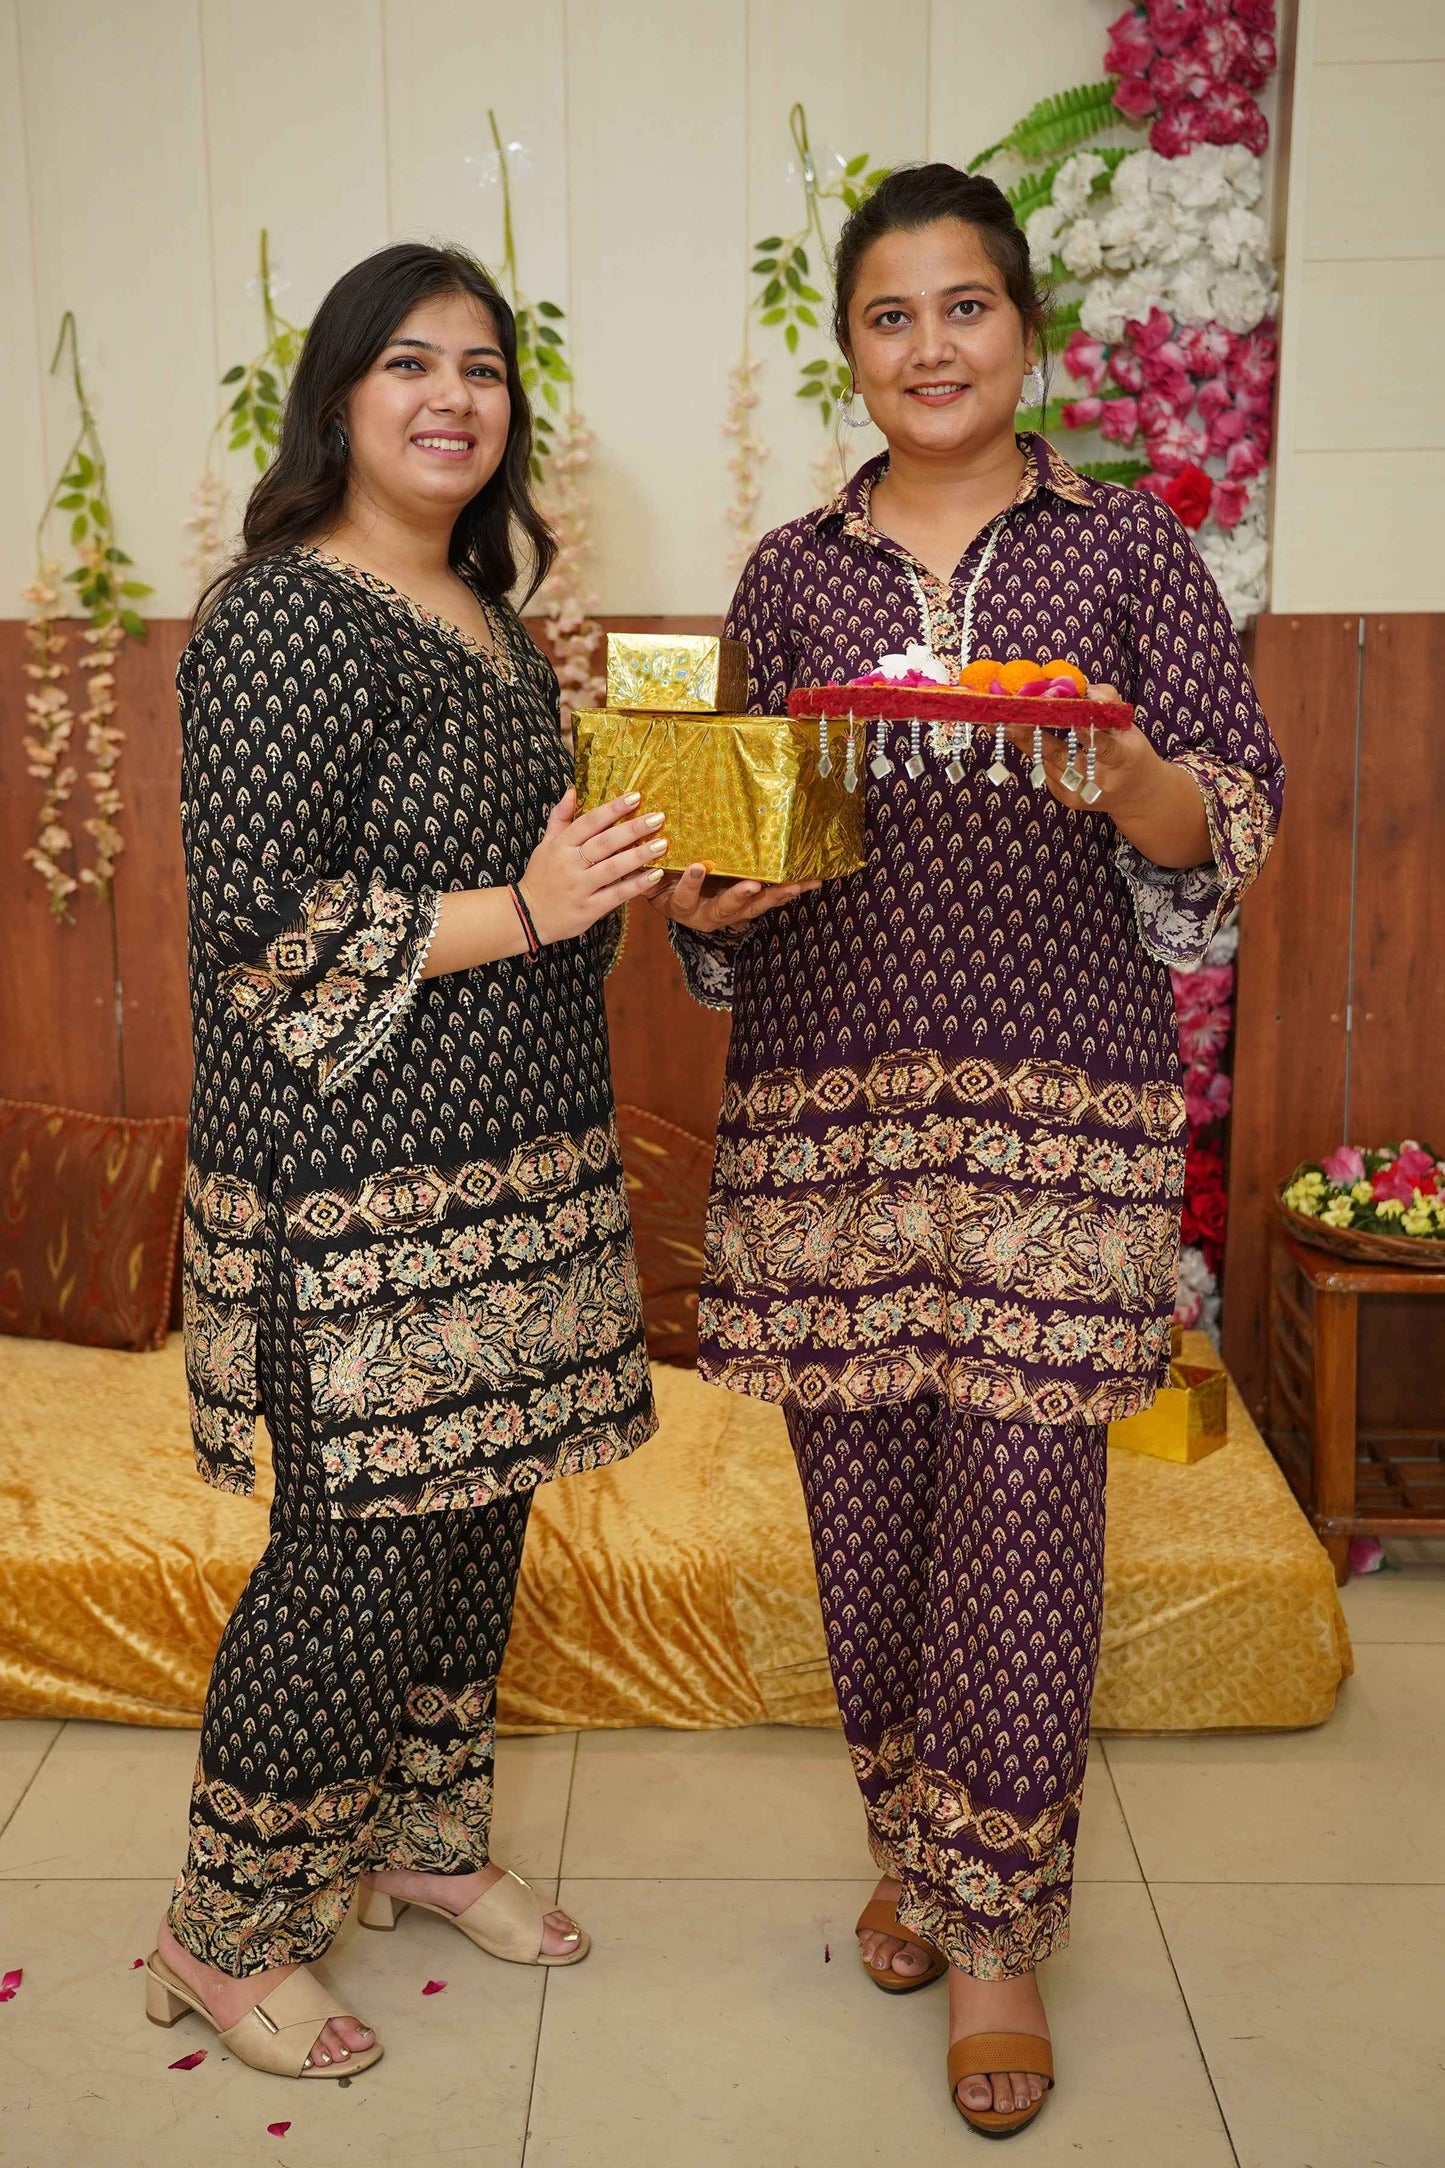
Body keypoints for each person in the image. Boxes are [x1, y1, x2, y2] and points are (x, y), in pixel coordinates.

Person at [655, 164, 1282, 2137]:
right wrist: (710, 897)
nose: (929, 346)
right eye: (888, 316)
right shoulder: (790, 574)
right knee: (860, 1515)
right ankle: (913, 1846)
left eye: (964, 307)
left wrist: (1128, 769)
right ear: (849, 349)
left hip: (1056, 1107)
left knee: (1020, 1510)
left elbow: (1231, 820)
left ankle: (997, 1928)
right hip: (826, 1110)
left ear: (1026, 328)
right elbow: (729, 844)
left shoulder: (1129, 552)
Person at [144, 242, 667, 2081]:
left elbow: (547, 896)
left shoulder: (490, 617)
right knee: (354, 1559)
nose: (454, 397)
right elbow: (260, 931)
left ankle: (419, 1843)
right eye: (410, 363)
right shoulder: (283, 615)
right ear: (341, 398)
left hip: (513, 1163)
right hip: (348, 1191)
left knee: (477, 1528)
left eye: (484, 367)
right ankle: (221, 1930)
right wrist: (530, 904)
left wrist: (623, 879)